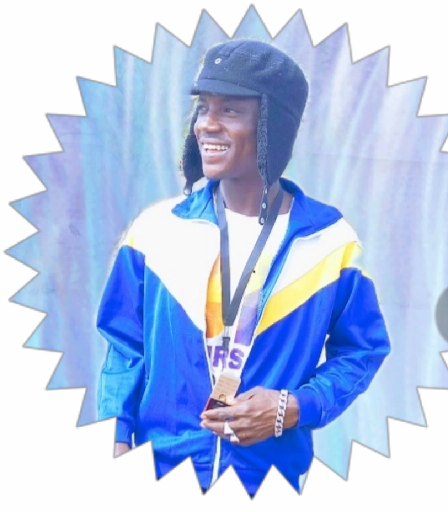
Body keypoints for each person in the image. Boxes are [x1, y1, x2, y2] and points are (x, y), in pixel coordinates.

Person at [97, 39, 391, 497]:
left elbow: (362, 350)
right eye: (203, 108)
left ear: (274, 126)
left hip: (265, 477)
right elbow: (124, 344)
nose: (206, 124)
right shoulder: (155, 230)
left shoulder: (330, 242)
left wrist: (292, 407)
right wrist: (117, 436)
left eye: (230, 110)